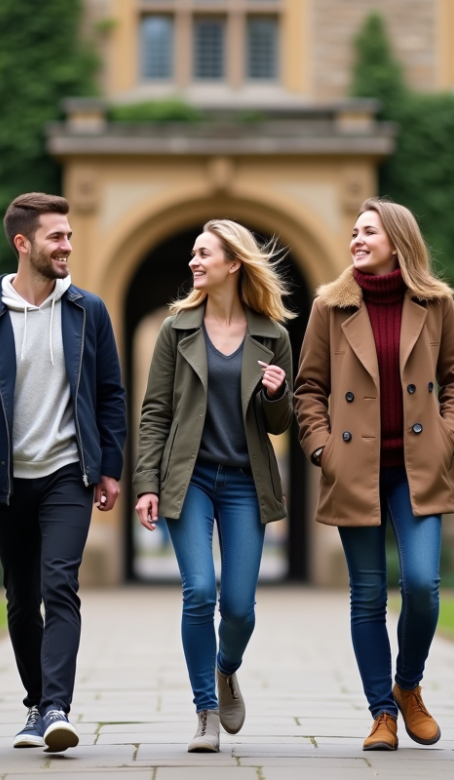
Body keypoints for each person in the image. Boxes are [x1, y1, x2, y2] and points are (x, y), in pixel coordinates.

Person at [0, 193, 127, 754]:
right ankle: (34, 703)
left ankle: (55, 708)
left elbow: (110, 394)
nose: (67, 245)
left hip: (68, 473)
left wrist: (110, 469)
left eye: (69, 235)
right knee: (22, 597)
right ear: (23, 243)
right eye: (56, 237)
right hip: (4, 478)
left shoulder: (88, 310)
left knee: (59, 585)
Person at [295, 198, 454, 751]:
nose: (356, 238)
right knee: (368, 595)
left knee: (422, 587)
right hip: (355, 466)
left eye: (368, 231)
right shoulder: (330, 306)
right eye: (353, 231)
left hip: (418, 465)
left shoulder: (436, 303)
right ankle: (382, 714)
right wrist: (324, 450)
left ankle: (408, 685)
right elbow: (308, 391)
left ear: (397, 240)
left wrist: (448, 439)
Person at [133, 219, 295, 753]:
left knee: (241, 607)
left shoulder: (273, 335)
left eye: (204, 254)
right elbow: (155, 412)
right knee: (199, 591)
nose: (193, 262)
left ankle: (227, 670)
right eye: (193, 254)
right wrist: (147, 483)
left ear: (234, 263)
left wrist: (275, 395)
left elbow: (279, 424)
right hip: (191, 478)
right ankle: (205, 709)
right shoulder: (176, 329)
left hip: (246, 482)